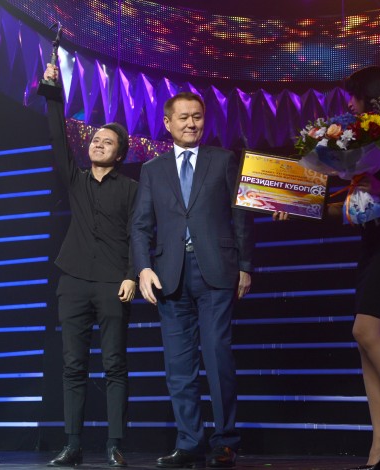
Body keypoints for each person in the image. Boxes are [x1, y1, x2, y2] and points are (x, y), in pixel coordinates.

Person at [275, 66, 380, 470]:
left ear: (372, 96)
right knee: (366, 340)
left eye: (354, 96)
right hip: (372, 242)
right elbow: (350, 208)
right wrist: (295, 207)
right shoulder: (364, 143)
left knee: (365, 331)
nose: (349, 104)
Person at [131, 91, 254, 469]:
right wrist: (143, 268)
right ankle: (189, 442)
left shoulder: (224, 159)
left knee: (217, 356)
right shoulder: (152, 169)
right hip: (169, 276)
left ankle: (225, 441)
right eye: (183, 117)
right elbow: (140, 225)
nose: (191, 123)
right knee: (179, 366)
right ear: (167, 123)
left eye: (197, 116)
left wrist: (245, 265)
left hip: (216, 270)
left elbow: (240, 214)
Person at [41, 63, 138, 468]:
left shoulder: (132, 188)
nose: (98, 144)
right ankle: (73, 444)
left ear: (120, 153)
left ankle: (115, 443)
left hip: (114, 283)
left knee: (115, 365)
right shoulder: (76, 179)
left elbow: (139, 235)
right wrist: (53, 92)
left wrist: (132, 275)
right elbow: (57, 136)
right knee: (73, 365)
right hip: (74, 281)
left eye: (107, 141)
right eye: (96, 139)